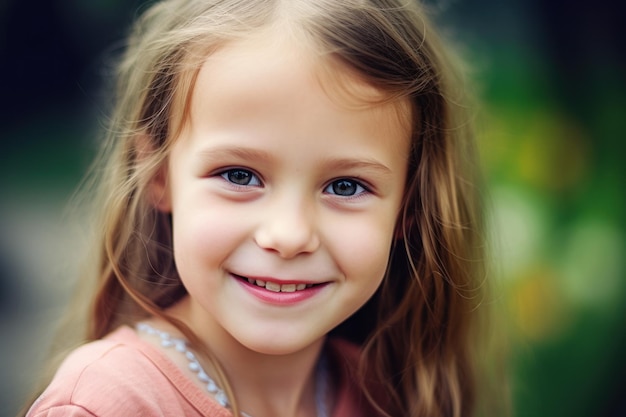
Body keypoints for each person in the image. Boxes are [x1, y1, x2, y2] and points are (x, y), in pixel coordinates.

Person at [23, 0, 500, 416]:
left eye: (346, 186)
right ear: (159, 174)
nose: (289, 235)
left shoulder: (381, 394)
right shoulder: (109, 404)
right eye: (238, 175)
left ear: (409, 208)